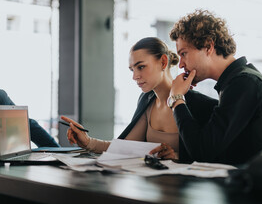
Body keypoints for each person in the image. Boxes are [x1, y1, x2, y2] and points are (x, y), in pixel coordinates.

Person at [168, 9, 262, 165]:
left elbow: (202, 152)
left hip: (261, 186)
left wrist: (176, 99)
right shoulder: (246, 79)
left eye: (184, 53)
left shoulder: (244, 83)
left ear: (208, 46)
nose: (180, 64)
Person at [63, 37, 217, 162]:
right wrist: (87, 142)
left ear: (163, 62)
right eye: (132, 69)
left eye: (141, 67)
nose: (135, 76)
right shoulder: (147, 100)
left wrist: (177, 157)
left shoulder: (201, 105)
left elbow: (211, 156)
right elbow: (125, 147)